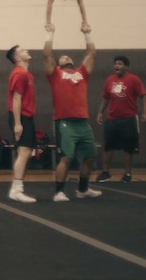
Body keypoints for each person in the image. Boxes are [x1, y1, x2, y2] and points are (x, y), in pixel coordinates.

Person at [44, 23, 102, 201]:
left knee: (91, 156)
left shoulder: (81, 73)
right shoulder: (55, 74)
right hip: (64, 122)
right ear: (59, 64)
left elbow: (92, 53)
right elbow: (47, 55)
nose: (66, 57)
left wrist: (88, 34)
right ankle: (59, 192)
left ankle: (82, 189)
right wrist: (50, 34)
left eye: (67, 56)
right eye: (62, 57)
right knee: (66, 158)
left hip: (82, 123)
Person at [96, 56, 146, 183]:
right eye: (115, 64)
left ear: (126, 66)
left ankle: (127, 173)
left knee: (129, 147)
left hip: (129, 118)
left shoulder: (134, 79)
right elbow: (105, 97)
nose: (116, 66)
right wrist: (100, 112)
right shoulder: (110, 79)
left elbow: (144, 95)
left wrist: (145, 112)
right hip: (112, 118)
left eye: (120, 64)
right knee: (108, 146)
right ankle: (105, 172)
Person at [6, 45, 38, 203]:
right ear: (17, 58)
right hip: (20, 116)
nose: (28, 51)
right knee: (24, 151)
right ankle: (16, 189)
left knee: (27, 152)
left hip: (28, 116)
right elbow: (16, 99)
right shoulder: (19, 74)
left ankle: (17, 187)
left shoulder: (27, 74)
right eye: (24, 50)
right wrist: (18, 124)